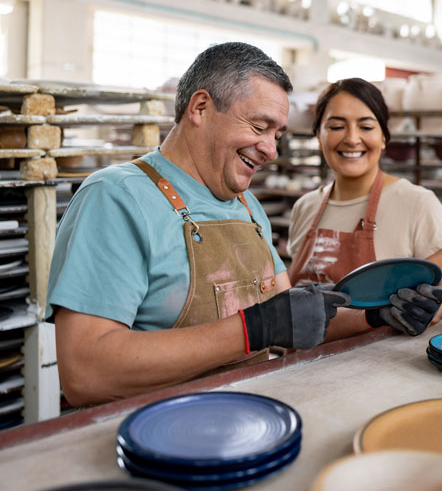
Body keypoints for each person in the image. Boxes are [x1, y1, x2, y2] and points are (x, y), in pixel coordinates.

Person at [46, 43, 350, 407]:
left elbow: (291, 314)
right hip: (154, 440)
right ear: (200, 107)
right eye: (259, 126)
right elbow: (86, 372)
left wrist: (377, 315)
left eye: (277, 134)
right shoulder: (117, 197)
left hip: (250, 420)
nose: (271, 149)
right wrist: (251, 330)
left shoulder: (248, 205)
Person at [287, 78, 442, 341]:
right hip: (295, 372)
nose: (352, 139)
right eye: (336, 126)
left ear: (384, 138)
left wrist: (425, 310)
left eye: (366, 126)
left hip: (378, 373)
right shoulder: (304, 207)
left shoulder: (418, 204)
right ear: (318, 136)